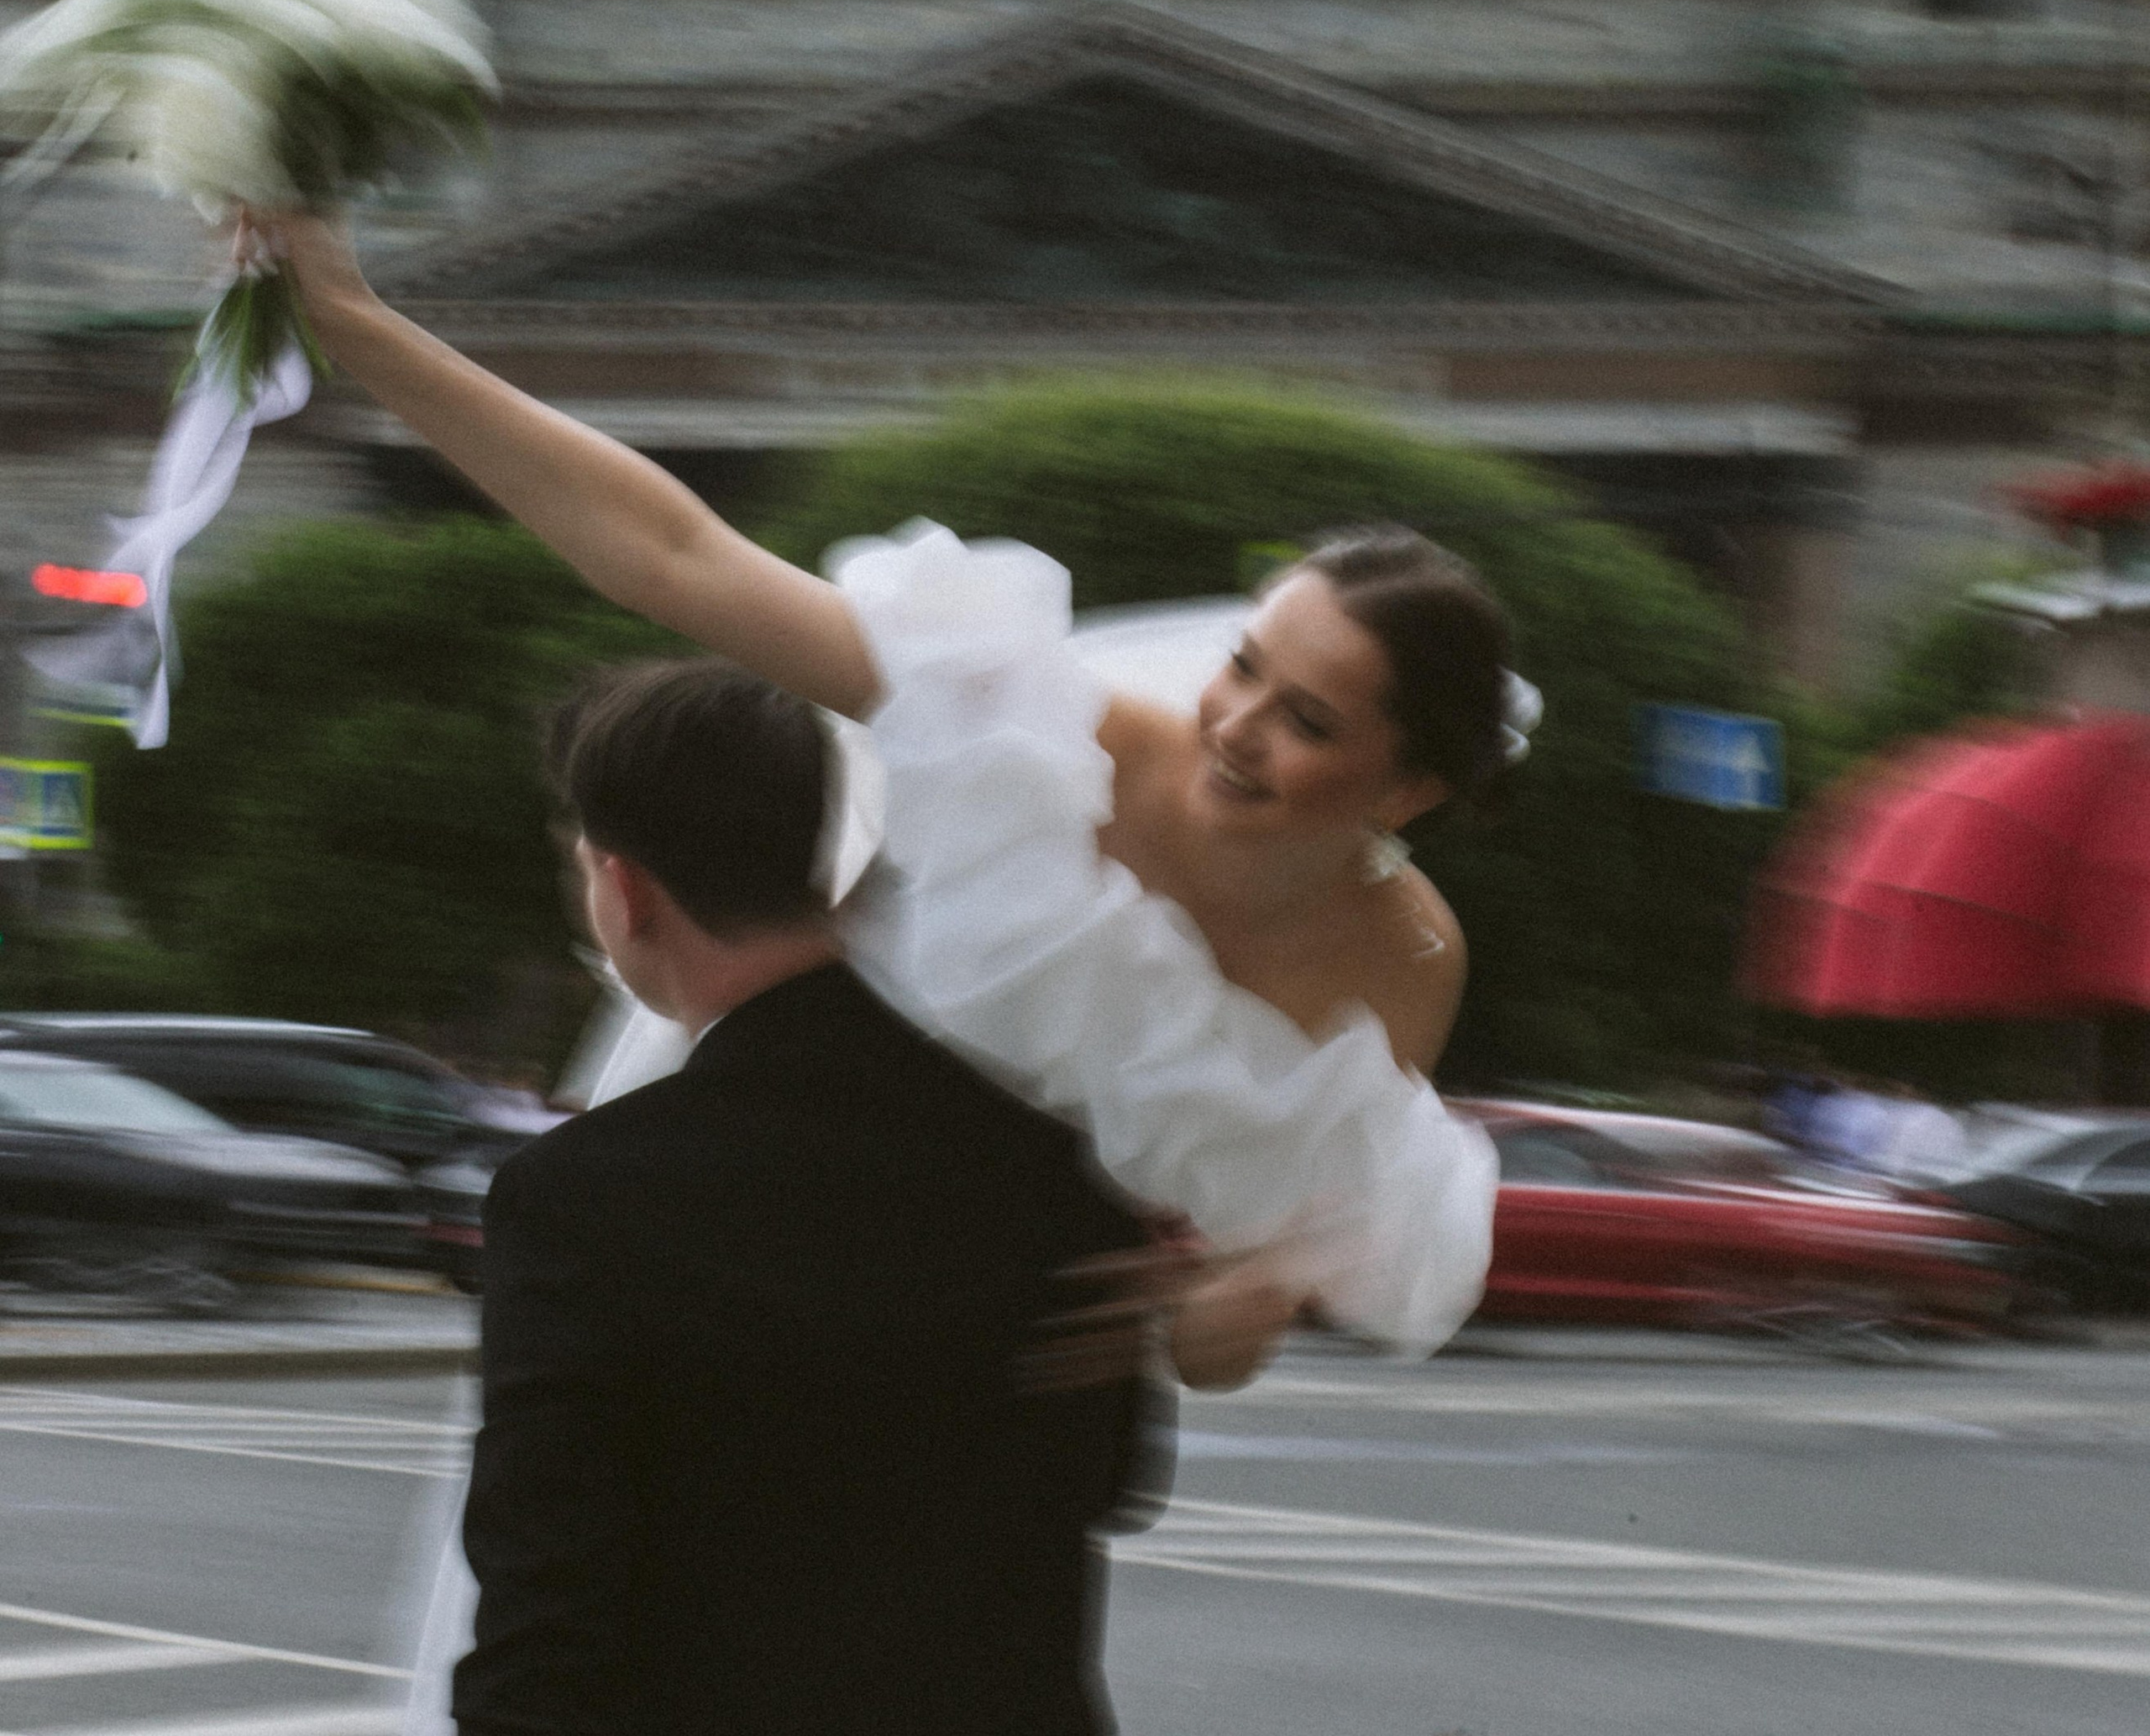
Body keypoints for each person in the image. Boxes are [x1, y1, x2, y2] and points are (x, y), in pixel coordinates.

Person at [254, 212, 1508, 1353]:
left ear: (1404, 794)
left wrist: (1245, 1300)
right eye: (1242, 667)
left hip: (980, 1328)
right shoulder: (1034, 734)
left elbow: (1283, 1264)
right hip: (744, 1183)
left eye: (1306, 719)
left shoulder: (1402, 962)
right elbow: (674, 558)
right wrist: (358, 323)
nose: (1233, 724)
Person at [456, 651, 1177, 1736]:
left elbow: (546, 1611)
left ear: (626, 889)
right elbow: (1112, 1478)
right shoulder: (1055, 1146)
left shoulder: (577, 1202)